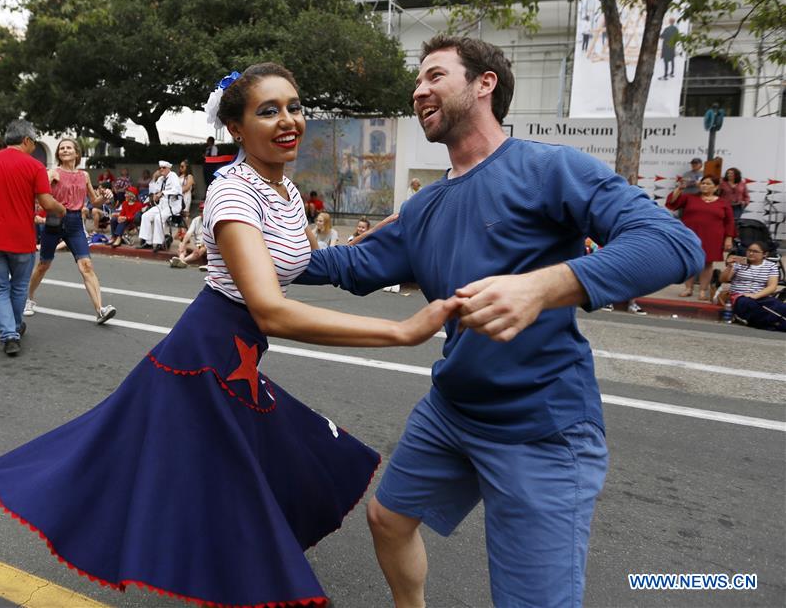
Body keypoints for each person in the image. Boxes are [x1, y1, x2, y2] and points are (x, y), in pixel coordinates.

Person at [0, 62, 460, 608]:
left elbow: (299, 260)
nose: (289, 121)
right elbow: (270, 310)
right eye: (268, 111)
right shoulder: (234, 194)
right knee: (227, 498)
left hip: (234, 360)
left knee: (274, 476)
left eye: (295, 107)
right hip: (206, 363)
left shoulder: (279, 185)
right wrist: (401, 330)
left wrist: (392, 247)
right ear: (236, 128)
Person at [296, 35, 703, 608]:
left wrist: (545, 285)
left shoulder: (548, 168)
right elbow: (352, 264)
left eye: (435, 75)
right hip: (452, 408)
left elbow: (674, 243)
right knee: (388, 519)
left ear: (484, 84)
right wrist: (246, 252)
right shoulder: (424, 206)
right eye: (418, 80)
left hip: (541, 427)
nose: (419, 90)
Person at [0, 120, 65, 356]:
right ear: (26, 140)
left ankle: (10, 333)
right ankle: (12, 331)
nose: (34, 147)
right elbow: (46, 202)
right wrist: (61, 209)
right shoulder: (34, 166)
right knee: (18, 287)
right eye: (33, 142)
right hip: (21, 237)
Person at [22, 138, 117, 325]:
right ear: (58, 154)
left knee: (86, 265)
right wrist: (49, 183)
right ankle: (28, 299)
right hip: (54, 220)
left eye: (69, 148)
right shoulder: (53, 172)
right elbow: (39, 194)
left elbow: (93, 201)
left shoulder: (84, 176)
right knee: (43, 265)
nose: (65, 150)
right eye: (62, 148)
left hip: (75, 222)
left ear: (76, 153)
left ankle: (100, 310)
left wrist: (106, 198)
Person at [666, 174, 735, 300]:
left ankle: (703, 290)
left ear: (716, 187)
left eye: (708, 184)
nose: (705, 186)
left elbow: (729, 222)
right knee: (690, 261)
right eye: (703, 183)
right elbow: (672, 203)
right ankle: (688, 288)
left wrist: (729, 238)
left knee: (707, 263)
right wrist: (679, 189)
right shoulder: (690, 198)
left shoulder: (723, 203)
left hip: (713, 237)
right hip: (691, 235)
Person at [719, 242, 785, 331]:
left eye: (755, 251)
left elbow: (772, 287)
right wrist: (730, 266)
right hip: (739, 295)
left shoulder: (771, 266)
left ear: (764, 254)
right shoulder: (739, 263)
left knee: (779, 306)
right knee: (750, 304)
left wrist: (755, 295)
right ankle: (772, 324)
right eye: (749, 251)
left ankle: (775, 323)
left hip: (760, 295)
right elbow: (723, 279)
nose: (750, 253)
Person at [137, 160, 182, 251]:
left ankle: (159, 243)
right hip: (161, 205)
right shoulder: (161, 179)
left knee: (158, 218)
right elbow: (153, 190)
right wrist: (154, 177)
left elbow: (177, 190)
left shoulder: (173, 176)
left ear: (169, 168)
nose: (161, 169)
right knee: (146, 216)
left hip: (172, 206)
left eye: (164, 168)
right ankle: (147, 242)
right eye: (160, 168)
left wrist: (163, 193)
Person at [169, 201, 206, 268]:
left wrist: (199, 246)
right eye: (200, 211)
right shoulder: (196, 220)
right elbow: (189, 233)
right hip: (197, 243)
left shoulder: (211, 222)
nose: (202, 213)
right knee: (181, 244)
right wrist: (183, 243)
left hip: (206, 246)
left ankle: (183, 261)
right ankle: (181, 260)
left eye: (203, 211)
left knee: (201, 249)